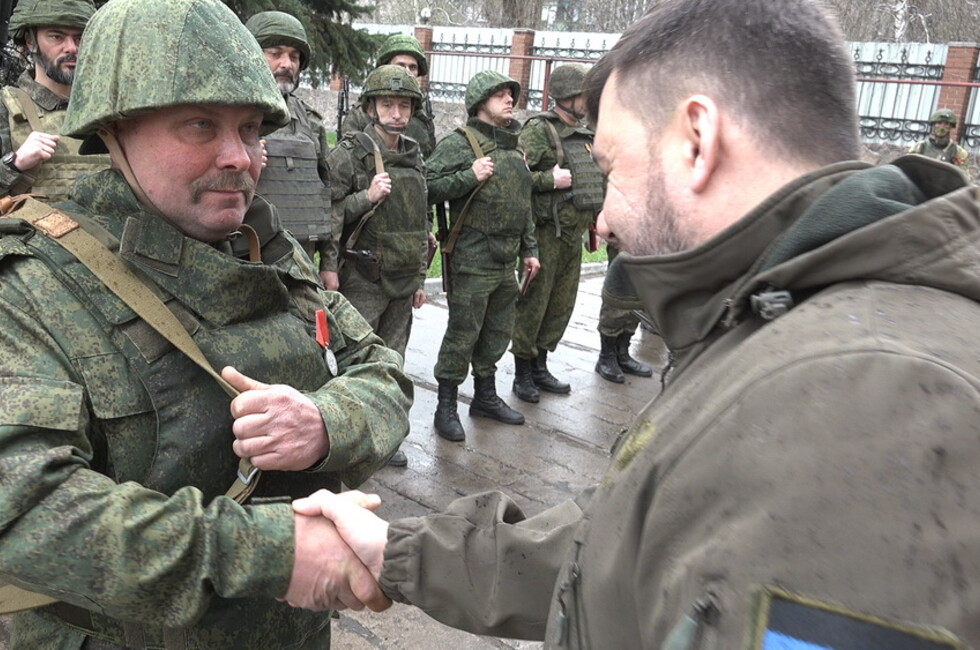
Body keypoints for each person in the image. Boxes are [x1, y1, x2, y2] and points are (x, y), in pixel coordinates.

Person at [296, 0, 980, 647]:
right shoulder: (789, 325)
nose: (604, 219)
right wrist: (398, 554)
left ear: (696, 140)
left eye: (612, 167)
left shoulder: (871, 397)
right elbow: (630, 539)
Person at [0, 0, 411, 648]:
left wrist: (323, 422)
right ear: (114, 129)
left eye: (250, 129)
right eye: (199, 124)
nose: (240, 158)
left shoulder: (265, 247)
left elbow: (383, 371)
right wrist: (275, 553)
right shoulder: (31, 284)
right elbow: (23, 516)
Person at [323, 65, 429, 468]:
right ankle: (346, 439)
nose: (397, 113)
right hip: (363, 275)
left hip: (403, 277)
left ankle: (386, 437)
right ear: (371, 107)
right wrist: (364, 198)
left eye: (404, 105)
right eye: (388, 104)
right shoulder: (350, 153)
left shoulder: (414, 155)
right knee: (356, 361)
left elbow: (422, 219)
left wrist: (420, 275)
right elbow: (330, 209)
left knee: (393, 361)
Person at [426, 70, 539, 443]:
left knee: (497, 333)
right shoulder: (461, 143)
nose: (510, 99)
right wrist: (468, 177)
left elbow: (524, 205)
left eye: (511, 94)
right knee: (463, 334)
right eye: (501, 95)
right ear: (480, 102)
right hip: (472, 259)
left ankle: (485, 397)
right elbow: (425, 186)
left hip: (506, 260)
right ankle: (446, 406)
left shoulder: (513, 146)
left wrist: (530, 250)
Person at [511, 63, 604, 403]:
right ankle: (522, 372)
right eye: (583, 96)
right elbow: (514, 176)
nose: (587, 102)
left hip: (573, 233)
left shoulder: (585, 134)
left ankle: (540, 364)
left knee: (561, 304)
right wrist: (549, 180)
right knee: (534, 303)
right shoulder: (539, 131)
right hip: (545, 233)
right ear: (566, 97)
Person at [245, 10, 332, 271]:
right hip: (246, 253)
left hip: (302, 258)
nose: (287, 64)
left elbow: (328, 195)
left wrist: (329, 264)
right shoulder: (228, 115)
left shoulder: (311, 122)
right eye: (276, 53)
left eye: (294, 56)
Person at [0, 0, 109, 202]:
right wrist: (15, 164)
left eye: (79, 38)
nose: (71, 48)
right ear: (31, 41)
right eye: (56, 36)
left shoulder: (108, 109)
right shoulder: (6, 106)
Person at [341, 33, 437, 158]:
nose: (407, 72)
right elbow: (347, 160)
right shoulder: (361, 114)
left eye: (413, 67)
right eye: (400, 66)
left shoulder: (422, 110)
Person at [593, 243, 654, 383]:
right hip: (622, 234)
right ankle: (606, 357)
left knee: (637, 294)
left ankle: (622, 354)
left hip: (645, 236)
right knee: (618, 292)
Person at [907, 107, 970, 172]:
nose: (942, 127)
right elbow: (908, 169)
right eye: (939, 123)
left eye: (946, 124)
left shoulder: (958, 152)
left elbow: (962, 176)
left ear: (951, 127)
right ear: (933, 125)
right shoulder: (919, 146)